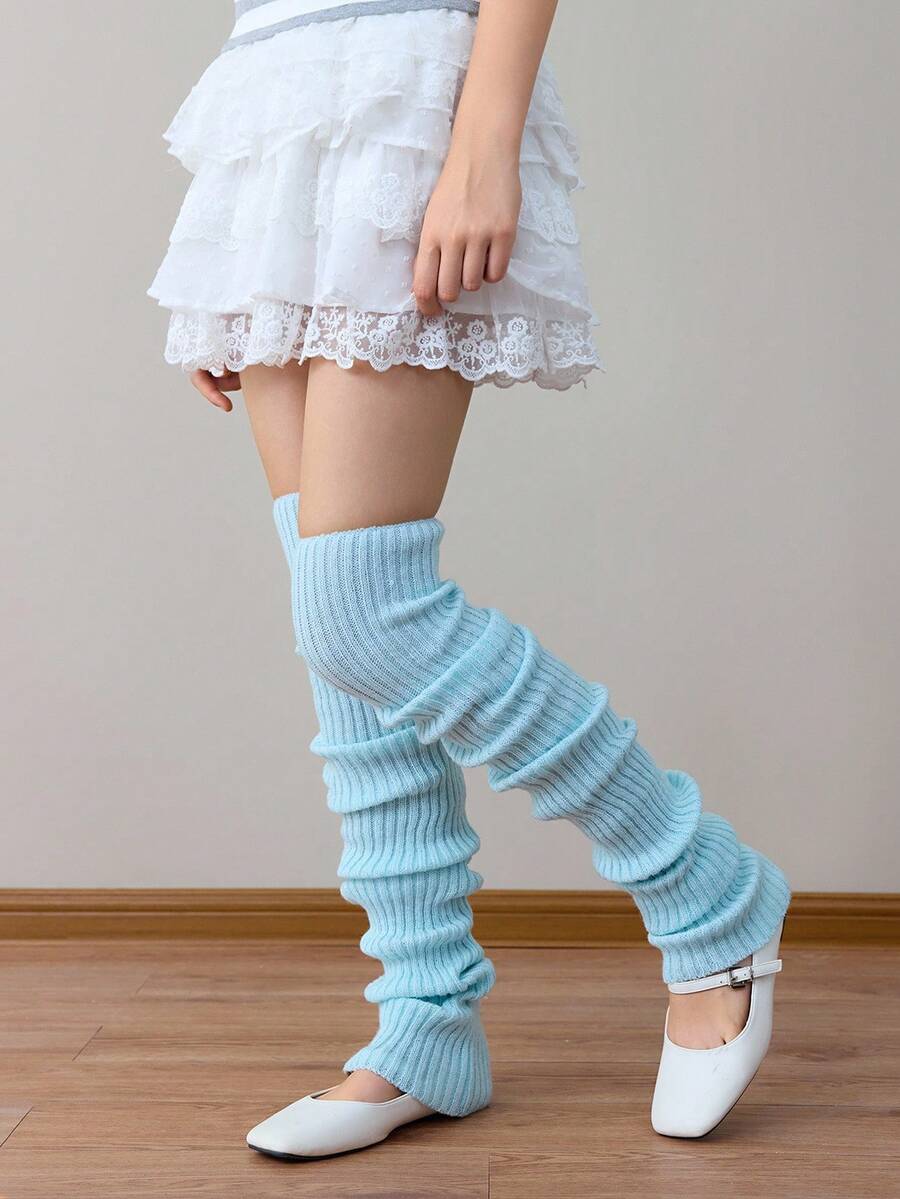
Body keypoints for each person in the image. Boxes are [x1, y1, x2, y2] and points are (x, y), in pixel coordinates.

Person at [149, 0, 790, 1158]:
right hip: (280, 101)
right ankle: (424, 1019)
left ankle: (707, 887)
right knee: (336, 632)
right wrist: (239, 238)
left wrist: (484, 142)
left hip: (412, 92)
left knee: (361, 609)